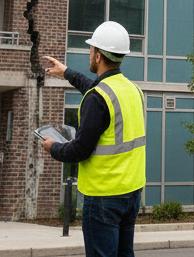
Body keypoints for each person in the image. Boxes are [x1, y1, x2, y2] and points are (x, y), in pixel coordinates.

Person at [42, 21, 146, 257]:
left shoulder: (97, 98)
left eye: (91, 50)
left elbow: (80, 150)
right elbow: (98, 89)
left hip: (103, 197)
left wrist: (53, 147)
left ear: (98, 56)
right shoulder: (133, 91)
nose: (90, 54)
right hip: (131, 193)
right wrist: (67, 72)